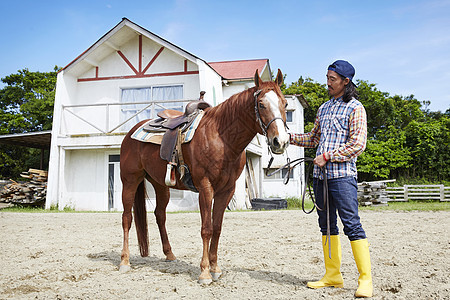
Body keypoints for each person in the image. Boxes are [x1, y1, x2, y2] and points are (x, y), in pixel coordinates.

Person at [290, 60, 372, 298]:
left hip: (343, 176)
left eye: (332, 79)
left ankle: (365, 280)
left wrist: (328, 156)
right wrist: (289, 138)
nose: (327, 82)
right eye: (327, 77)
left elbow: (358, 144)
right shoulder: (324, 108)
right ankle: (332, 275)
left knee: (352, 225)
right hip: (320, 177)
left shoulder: (356, 108)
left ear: (346, 82)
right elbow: (313, 138)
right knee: (326, 225)